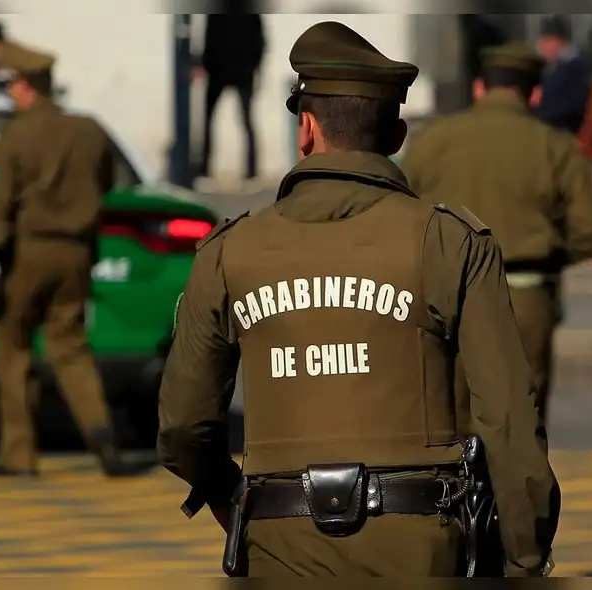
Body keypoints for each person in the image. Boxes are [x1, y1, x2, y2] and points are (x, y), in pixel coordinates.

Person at [158, 22, 559, 577]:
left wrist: (233, 498)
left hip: (281, 543)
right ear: (395, 136)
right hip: (423, 543)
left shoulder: (230, 252)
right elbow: (511, 420)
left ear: (306, 128)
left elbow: (182, 426)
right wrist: (526, 556)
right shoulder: (449, 242)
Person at [402, 42, 592, 424]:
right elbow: (590, 231)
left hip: (446, 296)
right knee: (518, 427)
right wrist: (551, 252)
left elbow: (399, 211)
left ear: (479, 88)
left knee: (450, 423)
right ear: (535, 93)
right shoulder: (555, 146)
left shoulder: (431, 140)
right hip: (525, 294)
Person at [0, 41, 140, 478]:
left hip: (28, 252)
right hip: (77, 252)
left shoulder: (10, 139)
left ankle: (19, 453)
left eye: (13, 85)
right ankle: (101, 435)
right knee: (70, 346)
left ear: (26, 88)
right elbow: (107, 179)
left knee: (14, 346)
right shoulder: (86, 131)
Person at [194, 3, 265, 185]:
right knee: (245, 121)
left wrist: (206, 64)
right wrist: (254, 68)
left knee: (213, 121)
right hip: (238, 72)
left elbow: (209, 40)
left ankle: (206, 170)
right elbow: (260, 42)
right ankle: (251, 172)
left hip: (224, 72)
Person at [534, 15, 592, 135]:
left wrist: (537, 116)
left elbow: (572, 106)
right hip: (544, 124)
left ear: (560, 41)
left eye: (547, 41)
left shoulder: (575, 68)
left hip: (562, 129)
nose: (542, 46)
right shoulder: (548, 67)